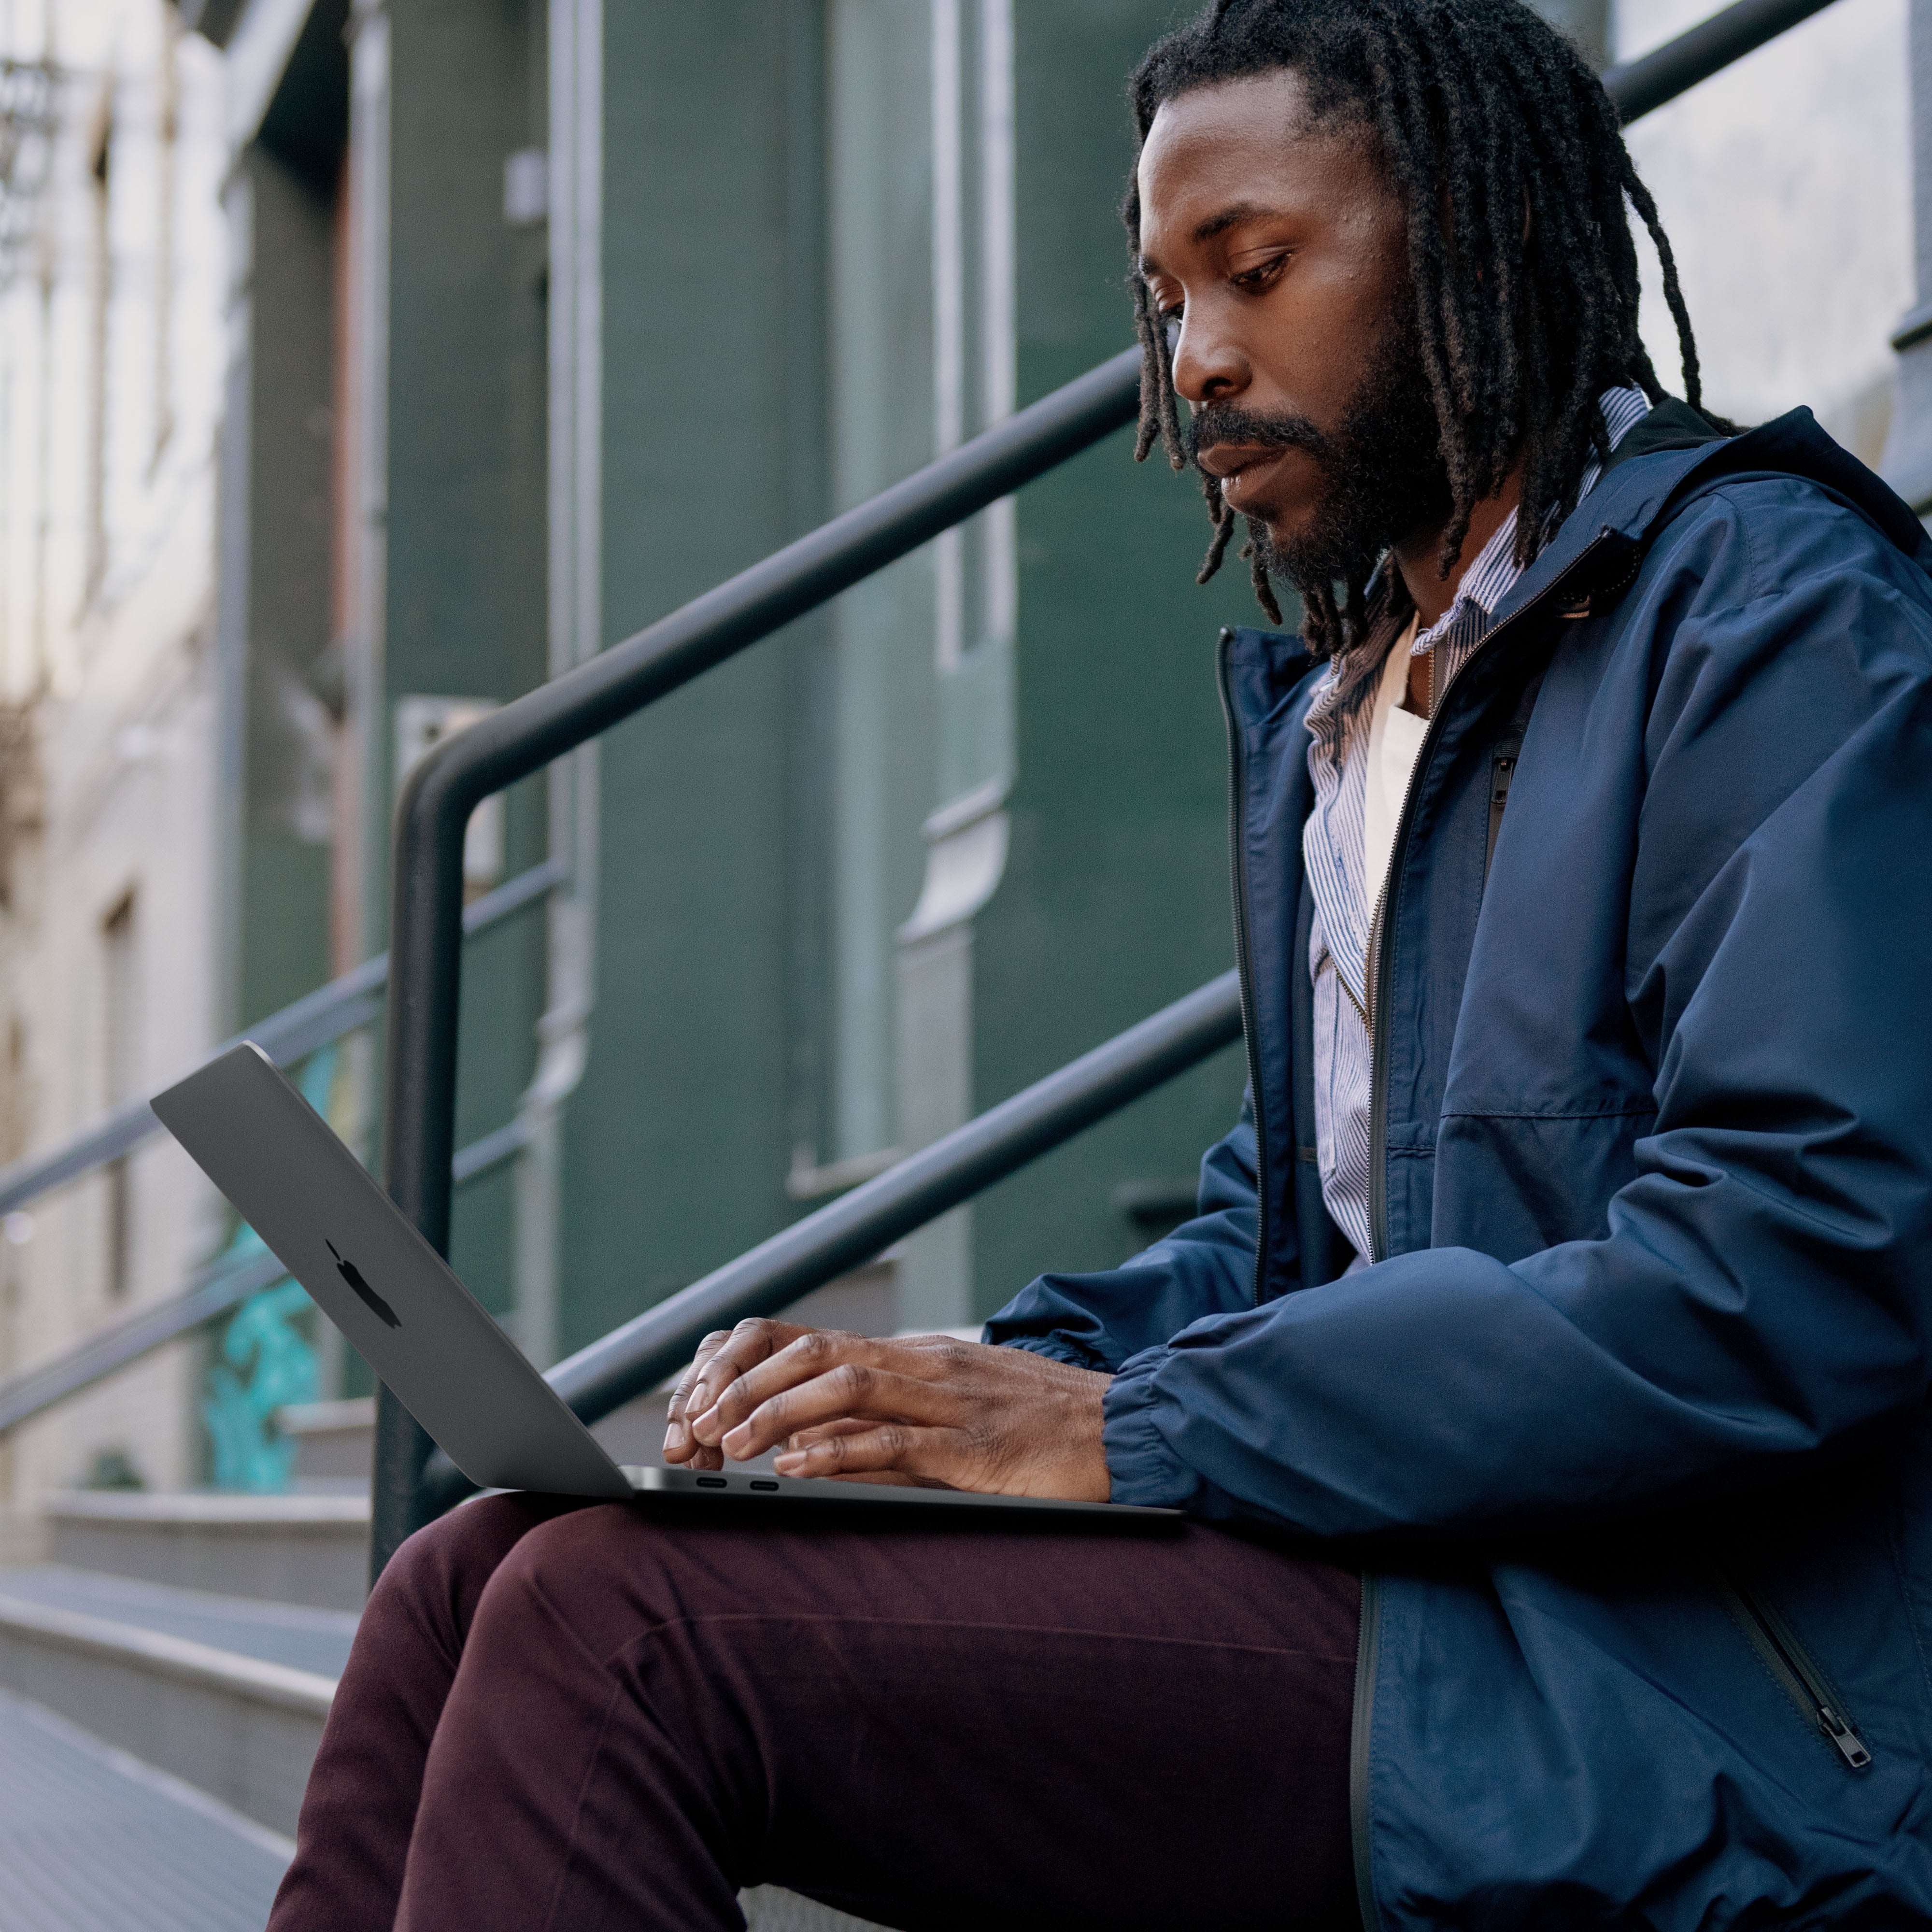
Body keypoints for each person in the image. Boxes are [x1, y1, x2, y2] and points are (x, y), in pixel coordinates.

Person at [268, 1, 1932, 1926]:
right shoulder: (1364, 706)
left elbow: (1786, 1267)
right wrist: (953, 1388)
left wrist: (1131, 1428)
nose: (1198, 355)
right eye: (1166, 295)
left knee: (610, 1623)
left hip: (1678, 1687)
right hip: (1422, 1583)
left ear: (1468, 238)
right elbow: (1292, 1241)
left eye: (1260, 268)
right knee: (473, 1563)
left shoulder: (1771, 614)